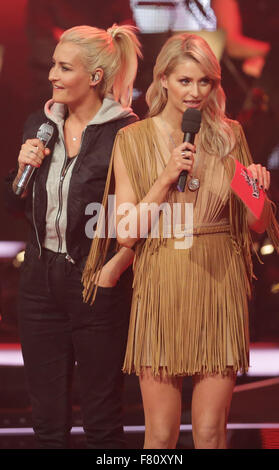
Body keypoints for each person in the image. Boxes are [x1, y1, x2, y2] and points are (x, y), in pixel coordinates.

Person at [82, 33, 279, 449]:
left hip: (219, 282)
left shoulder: (230, 137)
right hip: (160, 281)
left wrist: (259, 189)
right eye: (186, 81)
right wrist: (166, 176)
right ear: (164, 79)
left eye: (204, 82)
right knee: (160, 434)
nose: (195, 92)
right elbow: (127, 232)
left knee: (210, 430)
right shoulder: (131, 140)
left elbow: (257, 225)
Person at [4, 24, 141, 449]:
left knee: (102, 421)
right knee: (47, 422)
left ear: (95, 77)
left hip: (96, 282)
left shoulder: (126, 132)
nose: (52, 75)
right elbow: (15, 203)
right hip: (40, 284)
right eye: (52, 65)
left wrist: (114, 267)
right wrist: (19, 171)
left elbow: (138, 215)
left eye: (64, 67)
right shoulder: (39, 124)